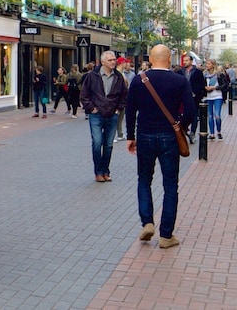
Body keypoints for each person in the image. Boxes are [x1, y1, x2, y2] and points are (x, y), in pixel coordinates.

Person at [125, 44, 196, 249]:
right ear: (168, 58)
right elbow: (190, 111)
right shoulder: (180, 81)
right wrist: (179, 125)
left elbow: (130, 110)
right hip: (169, 137)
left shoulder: (139, 80)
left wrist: (131, 136)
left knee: (144, 180)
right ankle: (166, 235)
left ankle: (147, 222)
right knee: (170, 185)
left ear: (152, 58)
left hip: (145, 135)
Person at [80, 51, 128, 182]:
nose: (114, 62)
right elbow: (84, 94)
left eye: (114, 60)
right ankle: (98, 172)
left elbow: (124, 95)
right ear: (103, 62)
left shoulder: (118, 77)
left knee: (108, 145)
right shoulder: (92, 76)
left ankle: (106, 171)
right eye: (111, 60)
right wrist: (91, 108)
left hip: (112, 114)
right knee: (97, 142)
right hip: (96, 115)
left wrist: (118, 109)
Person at [175, 54, 206, 143]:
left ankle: (192, 132)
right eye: (184, 61)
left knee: (194, 115)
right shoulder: (180, 72)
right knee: (182, 115)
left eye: (186, 60)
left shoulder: (198, 72)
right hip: (181, 98)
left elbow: (201, 85)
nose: (184, 62)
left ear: (191, 61)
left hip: (194, 98)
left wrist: (196, 94)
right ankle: (185, 130)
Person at [202, 59, 224, 142]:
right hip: (208, 97)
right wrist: (205, 88)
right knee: (210, 116)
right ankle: (212, 133)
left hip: (217, 96)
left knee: (217, 115)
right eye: (206, 63)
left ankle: (219, 131)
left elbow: (224, 85)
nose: (207, 65)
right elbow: (202, 84)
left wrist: (214, 87)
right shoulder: (204, 75)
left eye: (208, 63)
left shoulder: (219, 75)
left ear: (213, 65)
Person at [114, 58, 136, 141]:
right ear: (122, 63)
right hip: (118, 99)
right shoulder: (118, 74)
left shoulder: (121, 73)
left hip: (122, 99)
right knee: (116, 117)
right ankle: (113, 135)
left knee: (120, 117)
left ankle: (120, 134)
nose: (127, 65)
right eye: (125, 63)